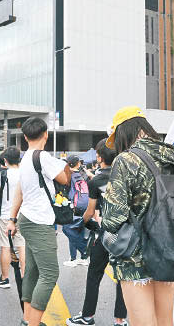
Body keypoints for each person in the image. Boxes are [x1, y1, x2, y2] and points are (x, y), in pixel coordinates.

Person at [102, 106, 174, 326]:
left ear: (124, 132)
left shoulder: (126, 160)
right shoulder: (173, 156)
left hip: (136, 257)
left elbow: (113, 218)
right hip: (170, 249)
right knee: (165, 321)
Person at [6, 117, 71, 326]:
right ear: (46, 134)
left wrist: (12, 218)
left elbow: (19, 192)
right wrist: (65, 164)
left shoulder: (26, 159)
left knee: (33, 272)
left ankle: (28, 320)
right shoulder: (42, 157)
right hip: (39, 222)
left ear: (25, 137)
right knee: (50, 273)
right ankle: (33, 324)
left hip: (27, 218)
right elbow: (65, 179)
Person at [67, 139, 128, 326]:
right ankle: (120, 320)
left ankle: (87, 316)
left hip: (105, 234)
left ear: (99, 157)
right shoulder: (125, 178)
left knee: (94, 274)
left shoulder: (97, 181)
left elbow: (90, 212)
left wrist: (83, 223)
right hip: (125, 235)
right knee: (122, 278)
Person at [0, 146, 26, 289]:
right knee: (21, 246)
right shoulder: (24, 173)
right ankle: (24, 276)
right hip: (22, 214)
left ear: (5, 160)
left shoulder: (2, 174)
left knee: (5, 246)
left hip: (6, 214)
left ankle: (5, 278)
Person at [62, 155, 89, 267]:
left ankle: (73, 258)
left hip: (73, 205)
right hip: (85, 205)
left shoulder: (68, 175)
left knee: (71, 231)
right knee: (82, 229)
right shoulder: (83, 174)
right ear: (78, 163)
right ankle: (83, 257)